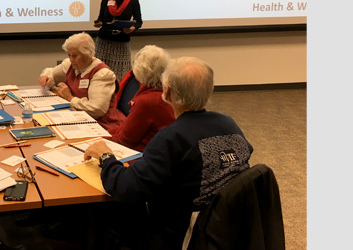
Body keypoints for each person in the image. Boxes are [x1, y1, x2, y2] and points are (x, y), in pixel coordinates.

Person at [83, 57, 253, 249]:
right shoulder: (228, 123)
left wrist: (106, 157)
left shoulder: (171, 138)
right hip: (225, 228)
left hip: (180, 234)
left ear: (167, 92)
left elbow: (126, 189)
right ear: (211, 89)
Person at [38, 32, 125, 132]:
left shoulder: (102, 74)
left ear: (88, 53)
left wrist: (70, 98)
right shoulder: (70, 65)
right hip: (77, 117)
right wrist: (46, 78)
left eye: (74, 56)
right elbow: (52, 74)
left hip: (101, 123)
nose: (71, 59)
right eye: (69, 55)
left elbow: (97, 109)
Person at [107, 45, 174, 152]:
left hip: (142, 156)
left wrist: (99, 139)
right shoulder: (167, 93)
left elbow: (125, 140)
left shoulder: (148, 101)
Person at [93, 0, 142, 80]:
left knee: (121, 76)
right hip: (103, 41)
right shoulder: (106, 0)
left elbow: (139, 21)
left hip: (121, 42)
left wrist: (132, 29)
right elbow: (100, 18)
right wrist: (98, 22)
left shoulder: (133, 1)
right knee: (101, 74)